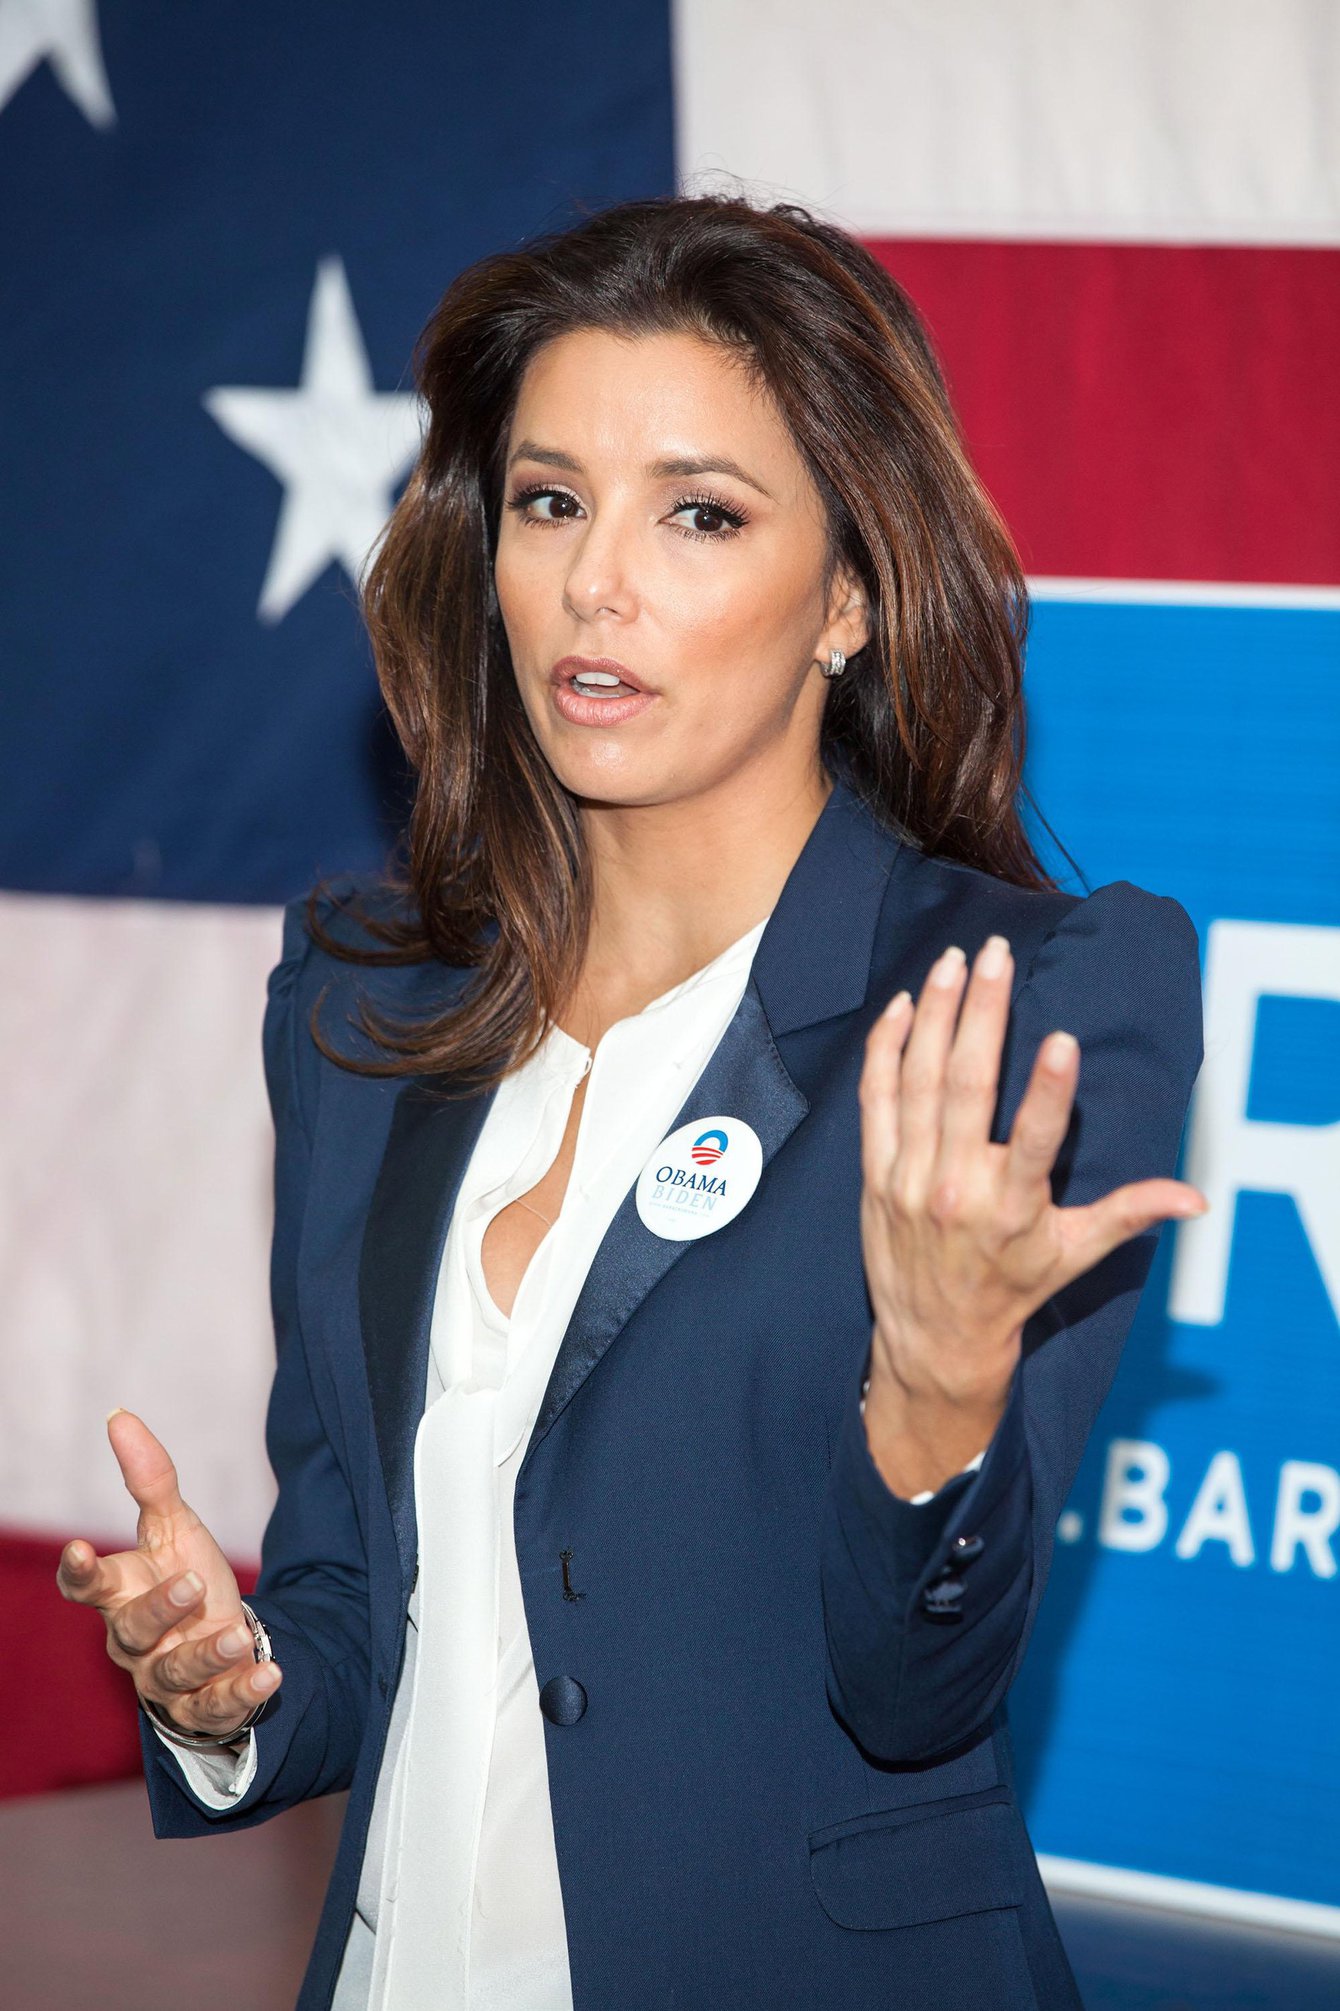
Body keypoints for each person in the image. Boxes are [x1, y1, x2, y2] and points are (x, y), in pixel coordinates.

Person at [56, 193, 1206, 2010]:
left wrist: (934, 1392)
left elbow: (916, 1697)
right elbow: (367, 1607)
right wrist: (235, 1680)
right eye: (549, 500)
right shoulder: (368, 999)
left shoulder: (1016, 1004)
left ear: (849, 594)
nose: (599, 582)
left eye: (699, 512)